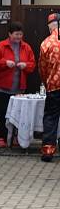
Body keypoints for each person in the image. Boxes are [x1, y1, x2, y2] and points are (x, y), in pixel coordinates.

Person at [0, 22, 35, 150]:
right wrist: (5, 63)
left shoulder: (26, 47)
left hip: (19, 88)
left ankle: (15, 138)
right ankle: (0, 138)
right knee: (2, 113)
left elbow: (32, 64)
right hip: (1, 87)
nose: (18, 37)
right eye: (16, 34)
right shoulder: (1, 46)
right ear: (9, 34)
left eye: (20, 34)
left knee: (18, 114)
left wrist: (25, 65)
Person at [39, 12, 60, 162]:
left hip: (54, 86)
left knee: (51, 117)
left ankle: (48, 150)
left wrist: (46, 82)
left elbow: (42, 67)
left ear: (50, 26)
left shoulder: (46, 43)